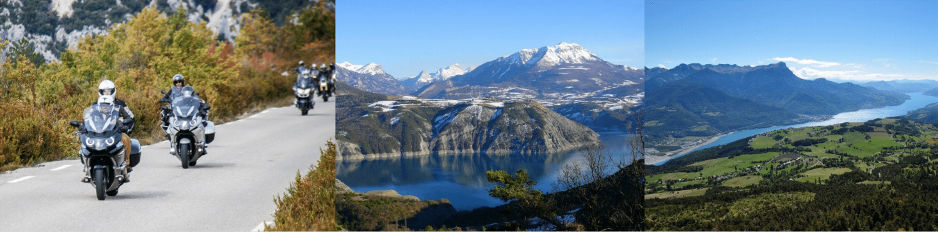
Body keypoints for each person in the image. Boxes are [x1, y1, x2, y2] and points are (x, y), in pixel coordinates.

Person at [92, 80, 136, 177]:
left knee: (126, 139)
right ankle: (89, 164)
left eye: (109, 91)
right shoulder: (96, 105)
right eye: (104, 91)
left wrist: (123, 124)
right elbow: (89, 118)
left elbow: (131, 117)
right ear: (100, 92)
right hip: (100, 134)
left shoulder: (120, 104)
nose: (107, 93)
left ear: (113, 91)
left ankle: (126, 164)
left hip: (116, 132)